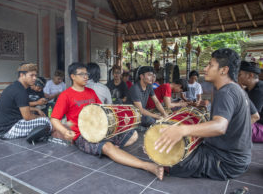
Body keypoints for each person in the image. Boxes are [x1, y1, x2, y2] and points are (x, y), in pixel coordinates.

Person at [50, 62, 164, 180]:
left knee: (133, 134)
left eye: (86, 74)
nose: (86, 77)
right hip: (83, 135)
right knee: (107, 146)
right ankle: (147, 166)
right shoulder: (66, 95)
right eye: (82, 74)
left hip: (101, 129)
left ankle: (113, 151)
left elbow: (101, 110)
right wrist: (64, 131)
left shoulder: (90, 92)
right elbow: (54, 118)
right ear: (72, 76)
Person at [154, 48, 252, 180]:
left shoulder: (226, 92)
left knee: (172, 161)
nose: (205, 69)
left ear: (224, 70)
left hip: (226, 162)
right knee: (179, 147)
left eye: (210, 65)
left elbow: (220, 126)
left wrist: (182, 130)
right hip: (235, 157)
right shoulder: (236, 89)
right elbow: (255, 115)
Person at [0, 63, 51, 139]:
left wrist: (36, 111)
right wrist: (40, 117)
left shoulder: (16, 86)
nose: (34, 78)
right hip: (8, 130)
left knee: (42, 119)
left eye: (35, 75)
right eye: (31, 75)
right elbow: (28, 117)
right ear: (22, 75)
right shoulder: (20, 91)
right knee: (47, 122)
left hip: (1, 128)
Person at [238, 61, 263, 142]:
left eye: (239, 75)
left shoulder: (260, 90)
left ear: (250, 75)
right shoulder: (248, 89)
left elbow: (254, 117)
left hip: (259, 126)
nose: (237, 78)